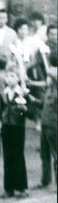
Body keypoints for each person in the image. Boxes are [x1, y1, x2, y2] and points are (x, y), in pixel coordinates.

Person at [0, 69, 29, 199]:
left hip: (18, 127)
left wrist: (23, 109)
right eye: (8, 76)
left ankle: (22, 187)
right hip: (7, 126)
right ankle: (8, 188)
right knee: (7, 156)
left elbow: (28, 112)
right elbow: (1, 110)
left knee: (18, 155)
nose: (10, 79)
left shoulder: (23, 93)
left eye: (12, 76)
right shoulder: (4, 94)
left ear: (18, 78)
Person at [40, 46, 57, 189]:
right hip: (45, 122)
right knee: (44, 154)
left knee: (56, 155)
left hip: (54, 124)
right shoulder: (50, 89)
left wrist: (45, 57)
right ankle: (45, 181)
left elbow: (50, 72)